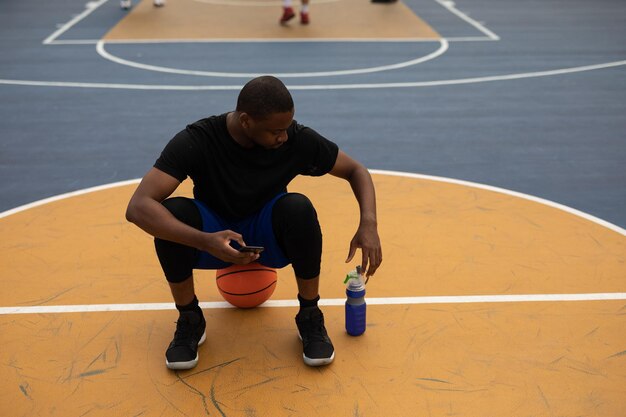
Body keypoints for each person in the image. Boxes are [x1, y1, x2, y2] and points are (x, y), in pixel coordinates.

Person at [126, 75, 382, 369]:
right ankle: (189, 317)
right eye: (276, 131)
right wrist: (204, 240)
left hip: (266, 233)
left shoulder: (294, 139)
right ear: (245, 121)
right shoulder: (198, 139)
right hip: (214, 232)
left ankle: (310, 314)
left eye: (286, 128)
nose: (283, 137)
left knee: (298, 207)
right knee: (173, 213)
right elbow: (138, 207)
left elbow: (355, 170)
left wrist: (369, 224)